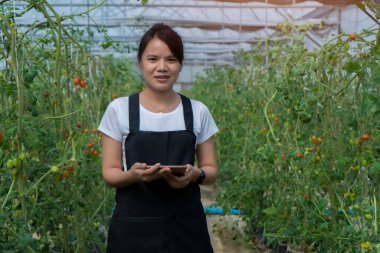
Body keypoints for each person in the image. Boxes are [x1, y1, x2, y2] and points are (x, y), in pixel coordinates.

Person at [98, 23, 219, 253]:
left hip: (186, 228)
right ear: (140, 63)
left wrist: (196, 175)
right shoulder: (119, 109)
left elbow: (211, 169)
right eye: (153, 59)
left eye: (171, 59)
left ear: (180, 65)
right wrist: (132, 175)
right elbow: (110, 173)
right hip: (133, 231)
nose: (161, 67)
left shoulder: (197, 111)